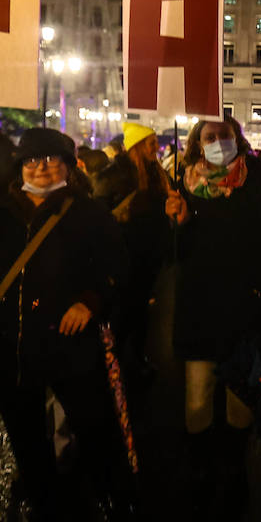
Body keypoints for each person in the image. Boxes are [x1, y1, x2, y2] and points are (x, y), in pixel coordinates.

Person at [0, 128, 131, 522]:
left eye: (50, 159)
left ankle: (115, 514)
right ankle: (46, 519)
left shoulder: (88, 213)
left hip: (70, 348)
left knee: (94, 430)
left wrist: (89, 301)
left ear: (68, 165)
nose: (41, 168)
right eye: (31, 160)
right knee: (28, 443)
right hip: (11, 350)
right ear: (19, 167)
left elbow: (117, 270)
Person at [163, 116, 261, 494]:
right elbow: (173, 254)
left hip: (243, 308)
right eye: (210, 136)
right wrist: (180, 223)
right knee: (198, 397)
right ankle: (200, 465)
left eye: (224, 134)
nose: (218, 141)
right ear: (197, 143)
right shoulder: (183, 185)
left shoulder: (258, 180)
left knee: (240, 399)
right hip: (198, 308)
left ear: (237, 137)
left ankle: (235, 466)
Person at [94, 122, 171, 384]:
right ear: (137, 146)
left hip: (148, 256)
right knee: (121, 313)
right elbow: (99, 217)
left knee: (139, 312)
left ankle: (137, 359)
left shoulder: (156, 172)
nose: (157, 147)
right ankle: (112, 365)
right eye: (151, 143)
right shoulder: (114, 174)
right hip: (123, 257)